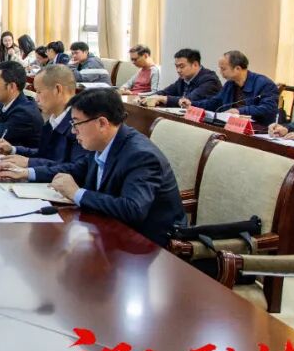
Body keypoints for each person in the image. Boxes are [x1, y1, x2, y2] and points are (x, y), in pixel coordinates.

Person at [15, 88, 185, 246]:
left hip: (147, 245)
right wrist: (27, 173)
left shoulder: (141, 156)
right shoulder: (101, 143)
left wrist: (77, 193)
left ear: (102, 123)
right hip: (108, 230)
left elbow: (133, 209)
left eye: (76, 123)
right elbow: (75, 169)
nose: (73, 131)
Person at [0, 64, 88, 172]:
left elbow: (75, 168)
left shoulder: (81, 125)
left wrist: (29, 163)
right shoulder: (52, 121)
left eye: (39, 92)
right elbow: (45, 154)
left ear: (57, 89)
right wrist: (13, 150)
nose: (36, 99)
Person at [182, 50, 279, 125]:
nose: (220, 72)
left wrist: (239, 111)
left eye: (223, 69)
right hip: (232, 127)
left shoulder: (264, 84)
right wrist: (192, 104)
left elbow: (268, 108)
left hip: (258, 131)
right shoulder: (230, 84)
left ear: (238, 69)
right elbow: (215, 102)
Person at [140, 48, 222, 108]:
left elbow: (188, 100)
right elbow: (166, 92)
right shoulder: (183, 78)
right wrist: (148, 97)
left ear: (195, 64)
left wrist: (162, 98)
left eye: (182, 66)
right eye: (176, 66)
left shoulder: (210, 80)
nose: (178, 70)